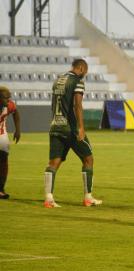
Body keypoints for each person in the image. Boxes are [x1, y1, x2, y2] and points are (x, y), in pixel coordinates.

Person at [44, 59, 102, 208]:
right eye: (85, 72)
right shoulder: (77, 81)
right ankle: (88, 198)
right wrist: (81, 127)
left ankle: (48, 198)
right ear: (81, 68)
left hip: (55, 126)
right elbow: (77, 105)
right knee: (88, 159)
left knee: (54, 163)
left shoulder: (58, 81)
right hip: (71, 128)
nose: (85, 75)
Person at [0, 86, 21, 199]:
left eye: (9, 97)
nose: (8, 100)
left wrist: (18, 130)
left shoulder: (9, 105)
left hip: (1, 134)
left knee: (3, 159)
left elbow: (16, 113)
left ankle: (1, 189)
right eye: (5, 98)